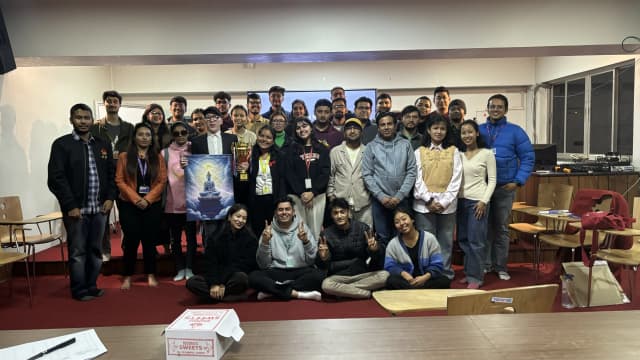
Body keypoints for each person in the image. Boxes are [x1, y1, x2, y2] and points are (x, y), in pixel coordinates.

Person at [48, 103, 116, 301]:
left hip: (100, 209)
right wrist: (70, 205)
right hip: (76, 210)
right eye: (79, 117)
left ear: (92, 120)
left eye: (87, 117)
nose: (83, 121)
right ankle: (79, 290)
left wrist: (110, 198)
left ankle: (91, 285)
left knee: (96, 250)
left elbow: (111, 174)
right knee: (78, 251)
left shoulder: (102, 144)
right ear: (71, 120)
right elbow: (56, 178)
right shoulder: (61, 144)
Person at [479, 94, 534, 280]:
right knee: (484, 228)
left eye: (499, 107)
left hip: (505, 187)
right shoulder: (479, 130)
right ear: (487, 108)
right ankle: (485, 265)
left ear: (505, 110)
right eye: (492, 106)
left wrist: (518, 181)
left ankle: (501, 266)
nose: (495, 109)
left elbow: (528, 157)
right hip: (483, 188)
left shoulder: (516, 131)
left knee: (501, 228)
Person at [116, 122, 167, 290]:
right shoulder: (124, 157)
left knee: (149, 240)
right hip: (129, 205)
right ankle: (127, 275)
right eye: (141, 134)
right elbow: (120, 181)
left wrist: (148, 199)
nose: (144, 137)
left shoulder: (158, 157)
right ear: (135, 137)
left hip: (151, 205)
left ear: (152, 138)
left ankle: (151, 274)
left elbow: (162, 181)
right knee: (131, 240)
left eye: (147, 134)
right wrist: (137, 199)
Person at [413, 113, 462, 280]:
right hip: (423, 204)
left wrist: (444, 201)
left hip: (447, 206)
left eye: (442, 128)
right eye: (435, 128)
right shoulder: (419, 151)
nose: (439, 132)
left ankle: (445, 273)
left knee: (445, 241)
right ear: (428, 130)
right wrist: (429, 200)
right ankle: (427, 274)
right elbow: (417, 179)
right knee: (426, 242)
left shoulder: (454, 151)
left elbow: (456, 179)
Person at [248, 196, 325, 301]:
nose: (284, 212)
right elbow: (263, 265)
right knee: (253, 277)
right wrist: (265, 243)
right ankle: (299, 294)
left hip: (300, 270)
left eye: (287, 209)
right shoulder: (268, 231)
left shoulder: (302, 228)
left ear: (293, 212)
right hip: (277, 272)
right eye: (280, 210)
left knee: (320, 276)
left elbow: (311, 260)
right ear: (275, 213)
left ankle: (273, 291)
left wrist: (306, 242)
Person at [90, 90, 134, 262]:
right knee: (103, 218)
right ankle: (105, 251)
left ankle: (126, 249)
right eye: (109, 101)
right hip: (104, 178)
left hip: (124, 177)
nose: (112, 104)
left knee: (127, 218)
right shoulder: (96, 127)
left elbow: (134, 149)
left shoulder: (129, 127)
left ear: (119, 104)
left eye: (115, 101)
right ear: (104, 104)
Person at [362, 112, 416, 247]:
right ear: (378, 127)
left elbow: (411, 172)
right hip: (380, 201)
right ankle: (385, 267)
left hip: (402, 200)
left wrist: (399, 196)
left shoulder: (405, 144)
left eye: (389, 124)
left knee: (403, 236)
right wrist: (381, 196)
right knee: (383, 237)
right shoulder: (371, 147)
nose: (386, 127)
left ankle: (402, 267)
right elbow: (367, 174)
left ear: (395, 125)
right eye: (382, 125)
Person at [317, 198, 388, 299]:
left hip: (362, 274)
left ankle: (346, 291)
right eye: (335, 213)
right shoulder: (326, 234)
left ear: (348, 213)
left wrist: (374, 249)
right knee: (326, 285)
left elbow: (376, 257)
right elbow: (322, 265)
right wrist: (324, 257)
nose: (339, 216)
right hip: (339, 276)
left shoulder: (363, 228)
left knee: (385, 275)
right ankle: (368, 293)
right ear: (332, 216)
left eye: (342, 212)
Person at [186, 204, 258, 302]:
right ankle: (226, 296)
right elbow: (210, 263)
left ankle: (213, 296)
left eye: (244, 218)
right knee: (191, 283)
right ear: (229, 217)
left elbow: (245, 265)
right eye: (238, 216)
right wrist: (214, 283)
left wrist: (222, 284)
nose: (240, 220)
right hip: (216, 275)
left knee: (242, 279)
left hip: (233, 276)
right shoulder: (216, 237)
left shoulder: (250, 239)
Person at [457, 120, 496, 289]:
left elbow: (493, 180)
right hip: (459, 202)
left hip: (477, 202)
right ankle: (469, 272)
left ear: (477, 133)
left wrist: (483, 201)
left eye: (470, 132)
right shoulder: (458, 155)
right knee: (464, 240)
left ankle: (477, 277)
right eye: (464, 133)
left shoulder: (487, 154)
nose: (467, 135)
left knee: (477, 241)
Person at [190, 106, 238, 239]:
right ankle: (211, 258)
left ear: (221, 121)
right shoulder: (196, 141)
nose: (211, 121)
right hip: (207, 193)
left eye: (215, 118)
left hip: (228, 189)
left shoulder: (232, 139)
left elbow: (236, 162)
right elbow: (195, 167)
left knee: (228, 228)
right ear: (204, 121)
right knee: (210, 231)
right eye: (208, 118)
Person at [162, 121, 198, 282]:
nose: (180, 136)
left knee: (191, 239)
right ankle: (180, 268)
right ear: (172, 135)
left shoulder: (195, 149)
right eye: (176, 133)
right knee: (175, 239)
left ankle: (189, 267)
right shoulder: (165, 153)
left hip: (192, 201)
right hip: (172, 202)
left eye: (183, 132)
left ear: (188, 132)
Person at [285, 117, 330, 239]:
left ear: (311, 128)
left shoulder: (322, 148)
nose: (301, 130)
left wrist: (313, 193)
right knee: (300, 231)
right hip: (298, 197)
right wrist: (302, 193)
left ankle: (315, 256)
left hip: (318, 197)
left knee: (315, 233)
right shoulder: (291, 149)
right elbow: (289, 174)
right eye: (298, 128)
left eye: (304, 126)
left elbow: (325, 172)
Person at [384, 208, 451, 289]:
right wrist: (404, 274)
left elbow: (437, 264)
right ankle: (419, 293)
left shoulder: (429, 238)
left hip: (426, 280)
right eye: (397, 222)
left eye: (404, 219)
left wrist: (424, 278)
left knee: (444, 281)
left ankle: (411, 293)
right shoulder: (393, 244)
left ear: (412, 219)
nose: (401, 223)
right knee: (391, 281)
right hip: (407, 281)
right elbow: (389, 266)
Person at [327, 118, 372, 226]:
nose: (352, 131)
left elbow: (373, 177)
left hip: (364, 204)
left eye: (356, 128)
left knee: (366, 236)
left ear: (361, 132)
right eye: (349, 128)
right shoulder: (335, 152)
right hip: (340, 204)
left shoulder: (368, 151)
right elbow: (331, 176)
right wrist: (331, 197)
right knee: (342, 238)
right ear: (344, 132)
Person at [248, 125, 287, 236]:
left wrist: (281, 201)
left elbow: (282, 180)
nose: (264, 139)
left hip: (274, 200)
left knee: (275, 232)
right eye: (261, 136)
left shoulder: (280, 156)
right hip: (255, 200)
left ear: (273, 140)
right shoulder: (250, 155)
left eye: (268, 137)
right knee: (257, 231)